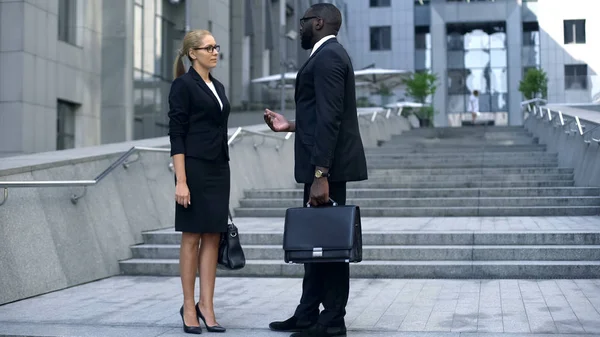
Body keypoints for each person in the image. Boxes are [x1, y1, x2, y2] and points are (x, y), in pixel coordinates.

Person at [263, 3, 368, 337]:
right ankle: (308, 313)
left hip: (327, 170)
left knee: (330, 245)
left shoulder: (329, 58)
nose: (300, 28)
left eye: (304, 21)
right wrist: (289, 125)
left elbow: (331, 118)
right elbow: (320, 115)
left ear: (319, 23)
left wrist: (321, 175)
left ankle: (333, 319)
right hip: (321, 166)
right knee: (316, 244)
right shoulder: (324, 57)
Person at [168, 29, 229, 335]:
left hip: (219, 169)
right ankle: (189, 306)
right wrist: (181, 180)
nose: (215, 52)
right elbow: (176, 134)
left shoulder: (217, 85)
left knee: (214, 237)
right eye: (208, 48)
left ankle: (207, 305)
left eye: (216, 47)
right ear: (193, 53)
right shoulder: (183, 85)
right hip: (193, 169)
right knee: (191, 236)